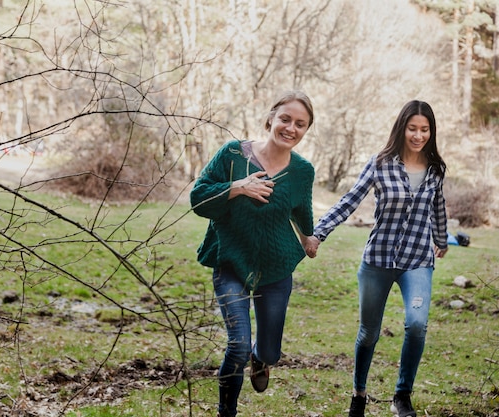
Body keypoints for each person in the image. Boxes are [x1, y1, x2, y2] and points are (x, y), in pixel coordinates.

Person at [305, 100, 448, 417]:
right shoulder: (381, 163)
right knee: (369, 332)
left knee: (417, 325)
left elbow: (438, 208)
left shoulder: (436, 170)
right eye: (413, 128)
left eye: (424, 129)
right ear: (402, 128)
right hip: (378, 260)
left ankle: (402, 395)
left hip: (418, 259)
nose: (418, 135)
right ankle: (359, 394)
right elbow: (349, 201)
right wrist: (318, 233)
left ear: (431, 132)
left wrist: (441, 240)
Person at [190, 90, 316, 417]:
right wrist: (237, 187)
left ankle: (262, 359)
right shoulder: (233, 155)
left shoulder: (303, 171)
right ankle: (226, 412)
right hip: (231, 261)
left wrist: (308, 237)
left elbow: (301, 210)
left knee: (270, 351)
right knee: (238, 346)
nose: (291, 128)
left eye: (300, 124)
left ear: (305, 130)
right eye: (285, 119)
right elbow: (198, 197)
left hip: (275, 269)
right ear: (270, 119)